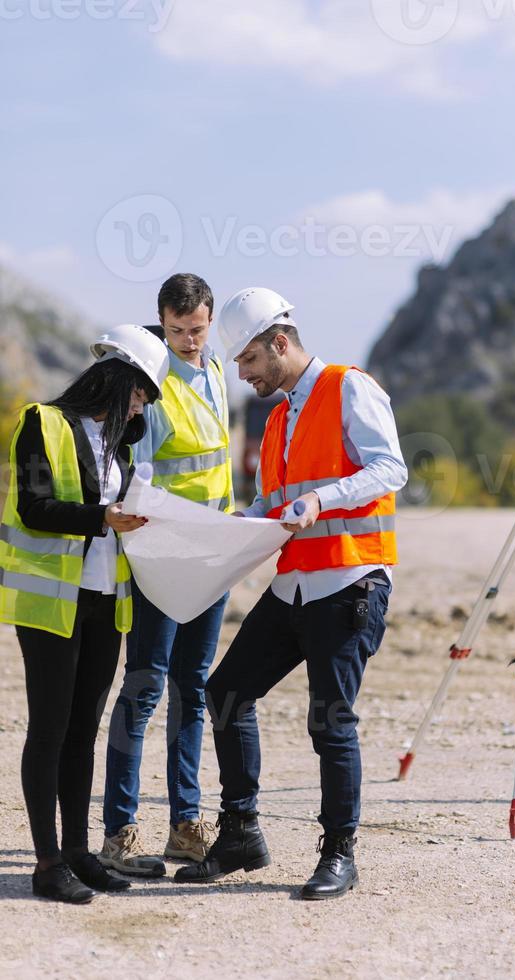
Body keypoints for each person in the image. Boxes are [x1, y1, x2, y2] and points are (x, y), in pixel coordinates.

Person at [175, 287, 407, 900]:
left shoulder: (349, 387)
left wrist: (322, 500)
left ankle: (339, 853)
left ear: (279, 343)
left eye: (248, 361)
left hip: (350, 581)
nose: (243, 375)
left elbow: (390, 468)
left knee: (329, 721)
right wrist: (232, 524)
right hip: (295, 585)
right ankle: (242, 832)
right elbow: (277, 504)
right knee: (225, 693)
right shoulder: (278, 416)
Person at [0, 324, 168, 904]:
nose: (143, 405)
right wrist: (104, 518)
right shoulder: (41, 423)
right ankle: (46, 864)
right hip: (52, 602)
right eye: (143, 393)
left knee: (82, 732)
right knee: (48, 730)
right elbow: (35, 506)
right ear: (119, 379)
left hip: (102, 603)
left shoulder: (118, 445)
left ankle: (77, 853)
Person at [101, 274, 234, 877]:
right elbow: (141, 479)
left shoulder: (217, 371)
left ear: (210, 322)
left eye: (197, 329)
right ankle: (119, 832)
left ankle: (186, 827)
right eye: (177, 329)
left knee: (193, 691)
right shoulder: (151, 381)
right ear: (160, 320)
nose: (187, 340)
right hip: (164, 554)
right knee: (145, 686)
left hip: (214, 555)